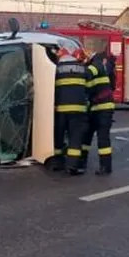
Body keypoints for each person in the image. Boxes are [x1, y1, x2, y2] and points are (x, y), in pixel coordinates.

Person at [53, 47, 91, 175]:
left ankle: (57, 163)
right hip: (78, 110)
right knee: (75, 138)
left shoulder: (55, 69)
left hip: (60, 111)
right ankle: (72, 166)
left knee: (58, 138)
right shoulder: (82, 68)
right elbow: (89, 87)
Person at [80, 45, 117, 175]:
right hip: (96, 108)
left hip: (103, 108)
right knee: (86, 136)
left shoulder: (96, 65)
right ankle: (82, 162)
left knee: (102, 139)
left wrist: (76, 70)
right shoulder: (98, 65)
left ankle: (105, 167)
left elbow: (88, 74)